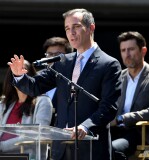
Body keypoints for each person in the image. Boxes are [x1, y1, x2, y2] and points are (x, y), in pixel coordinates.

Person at [7, 8, 122, 160]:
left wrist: (85, 126)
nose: (71, 32)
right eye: (67, 28)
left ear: (91, 28)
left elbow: (109, 107)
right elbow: (35, 87)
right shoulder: (63, 62)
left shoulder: (109, 64)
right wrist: (19, 76)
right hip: (61, 148)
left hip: (91, 147)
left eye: (76, 26)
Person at [110, 31, 149, 160]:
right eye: (123, 50)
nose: (127, 54)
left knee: (112, 149)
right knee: (88, 146)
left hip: (141, 133)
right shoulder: (119, 77)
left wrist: (121, 119)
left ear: (143, 51)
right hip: (114, 131)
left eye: (131, 49)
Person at [0, 60, 53, 160]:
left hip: (28, 156)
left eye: (23, 71)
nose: (19, 75)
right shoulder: (4, 104)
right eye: (15, 72)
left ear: (31, 76)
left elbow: (38, 135)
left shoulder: (42, 101)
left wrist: (2, 146)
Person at [41, 36, 73, 126]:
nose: (52, 58)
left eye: (57, 55)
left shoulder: (73, 78)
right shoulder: (38, 77)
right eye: (49, 54)